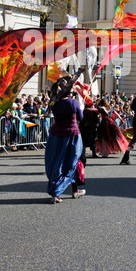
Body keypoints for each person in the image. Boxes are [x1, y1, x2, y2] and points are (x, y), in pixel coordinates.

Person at [45, 75, 86, 204]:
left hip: (56, 135)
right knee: (72, 163)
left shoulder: (54, 102)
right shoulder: (73, 102)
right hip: (72, 135)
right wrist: (81, 106)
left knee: (58, 163)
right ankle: (58, 192)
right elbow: (81, 117)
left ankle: (74, 190)